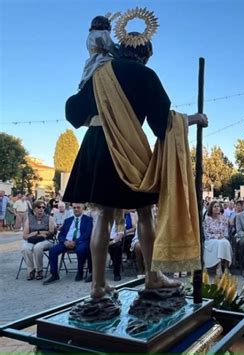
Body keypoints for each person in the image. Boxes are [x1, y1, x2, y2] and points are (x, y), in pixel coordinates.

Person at [63, 16, 208, 299]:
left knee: (102, 214)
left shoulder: (99, 72)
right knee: (143, 212)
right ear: (145, 54)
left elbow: (73, 112)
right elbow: (162, 122)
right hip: (128, 148)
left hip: (95, 147)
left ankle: (98, 286)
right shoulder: (145, 75)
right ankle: (152, 278)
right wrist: (193, 119)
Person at [43, 203, 93, 284]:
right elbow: (61, 234)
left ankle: (80, 272)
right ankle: (54, 274)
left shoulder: (88, 219)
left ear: (82, 208)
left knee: (81, 250)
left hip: (80, 242)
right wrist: (65, 241)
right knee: (53, 250)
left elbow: (87, 234)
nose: (76, 209)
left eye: (78, 207)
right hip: (66, 242)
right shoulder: (68, 220)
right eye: (74, 208)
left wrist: (75, 242)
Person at [79, 15, 119, 90]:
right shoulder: (103, 33)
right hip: (102, 58)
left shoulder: (90, 35)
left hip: (92, 61)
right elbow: (110, 47)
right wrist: (120, 54)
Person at [20, 201, 55, 280]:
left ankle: (39, 270)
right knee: (25, 248)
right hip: (32, 240)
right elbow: (25, 236)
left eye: (43, 207)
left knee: (37, 247)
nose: (41, 209)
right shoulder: (29, 219)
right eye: (39, 207)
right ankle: (31, 270)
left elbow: (51, 232)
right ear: (34, 209)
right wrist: (38, 232)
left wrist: (33, 233)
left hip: (47, 240)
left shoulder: (49, 218)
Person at [203, 201, 232, 278]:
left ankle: (226, 267)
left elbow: (226, 232)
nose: (217, 208)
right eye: (214, 206)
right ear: (211, 208)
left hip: (222, 239)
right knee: (219, 243)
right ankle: (219, 267)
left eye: (218, 206)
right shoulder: (207, 219)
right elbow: (206, 234)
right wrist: (216, 237)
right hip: (210, 240)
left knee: (225, 243)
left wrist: (222, 236)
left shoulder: (224, 218)